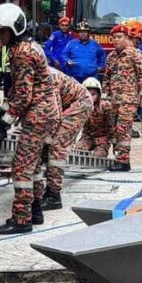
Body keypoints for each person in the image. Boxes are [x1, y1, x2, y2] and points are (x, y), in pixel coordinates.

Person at [0, 4, 61, 234]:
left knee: (22, 167)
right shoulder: (29, 47)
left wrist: (3, 123)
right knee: (36, 164)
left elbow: (22, 95)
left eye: (2, 31)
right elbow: (17, 91)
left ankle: (21, 219)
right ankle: (35, 209)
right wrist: (2, 114)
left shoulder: (22, 53)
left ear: (14, 29)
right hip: (46, 112)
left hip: (38, 115)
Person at [36, 69, 93, 211]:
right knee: (47, 143)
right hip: (67, 105)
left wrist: (47, 139)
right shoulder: (32, 75)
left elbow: (54, 114)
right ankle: (47, 190)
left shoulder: (49, 79)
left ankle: (54, 196)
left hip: (80, 105)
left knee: (56, 147)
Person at [102, 24, 142, 172]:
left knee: (123, 129)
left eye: (119, 37)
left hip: (128, 98)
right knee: (114, 129)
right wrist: (104, 97)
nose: (116, 40)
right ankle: (118, 156)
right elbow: (106, 78)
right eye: (114, 38)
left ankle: (123, 161)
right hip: (113, 99)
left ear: (126, 38)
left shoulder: (135, 54)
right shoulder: (111, 56)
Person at [76, 77, 113, 157]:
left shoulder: (105, 106)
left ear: (99, 95)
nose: (90, 97)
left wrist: (113, 141)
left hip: (102, 138)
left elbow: (112, 125)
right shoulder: (80, 106)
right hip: (87, 137)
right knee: (78, 153)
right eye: (88, 94)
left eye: (93, 94)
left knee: (98, 156)